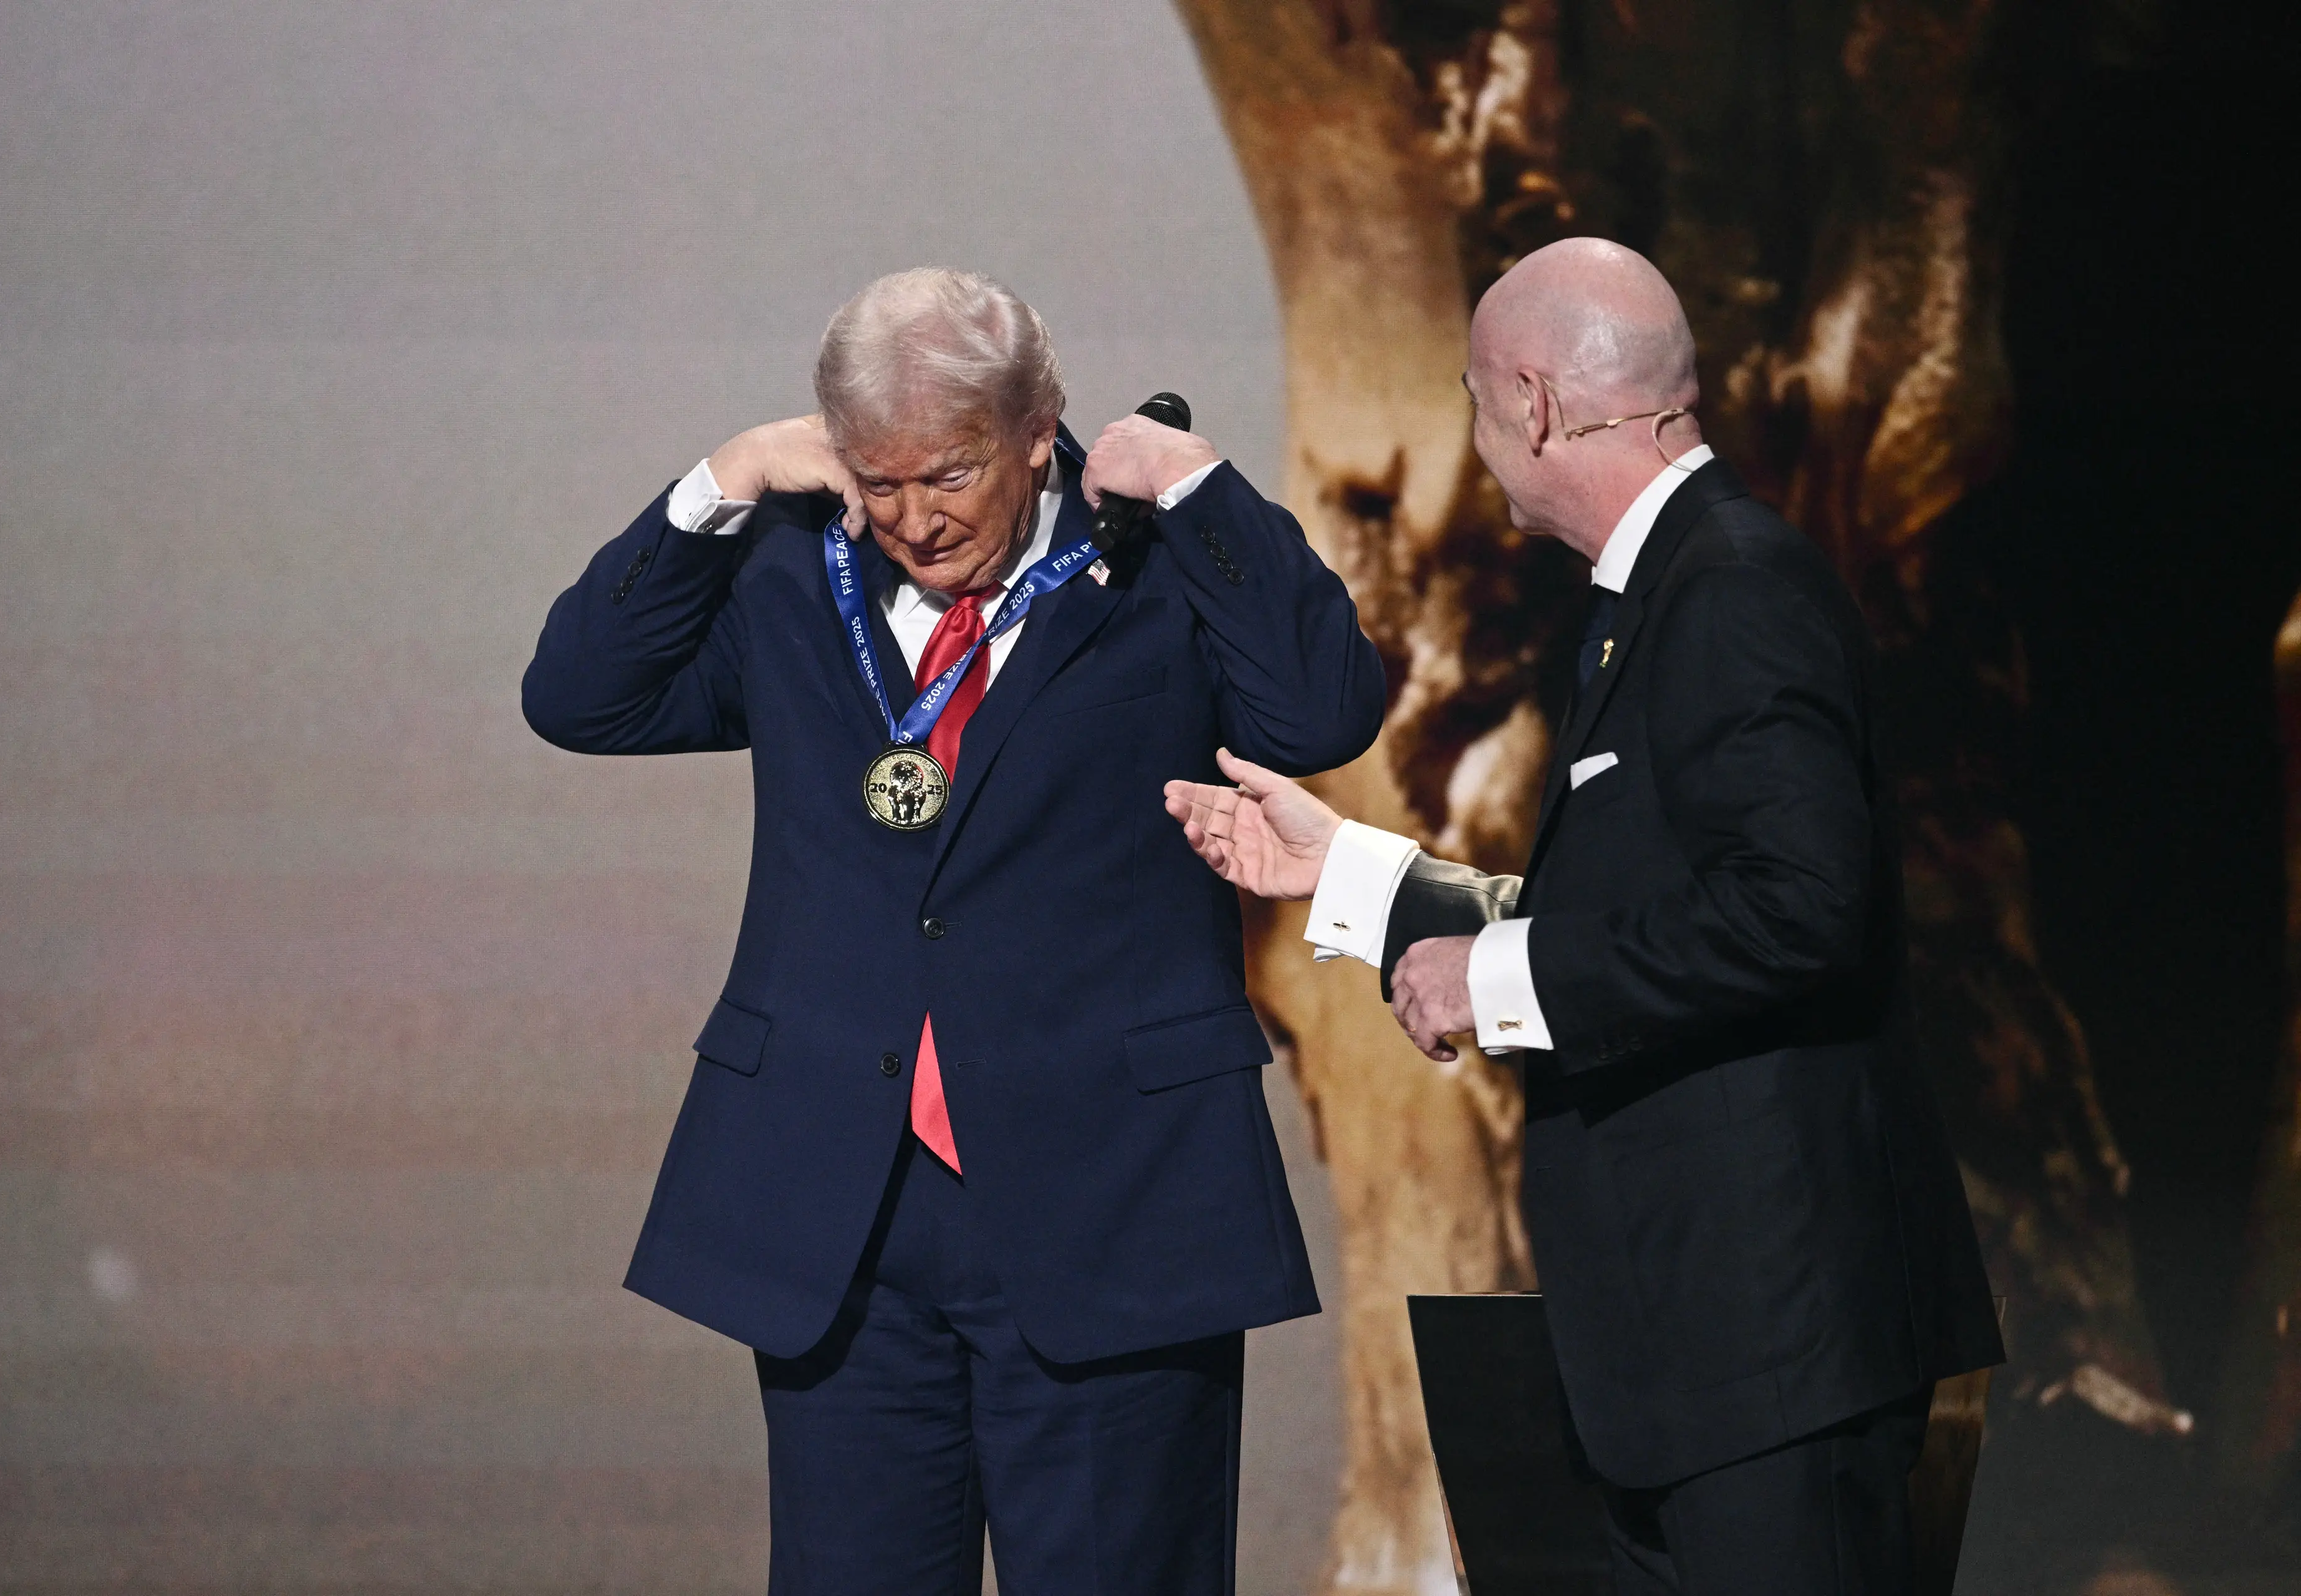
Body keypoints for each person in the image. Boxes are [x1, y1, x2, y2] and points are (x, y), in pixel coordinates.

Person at [523, 268, 1383, 1594]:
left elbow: (1324, 710)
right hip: (843, 1211)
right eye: (878, 479)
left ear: (1043, 427)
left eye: (949, 475)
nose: (912, 519)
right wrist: (727, 474)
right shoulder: (793, 570)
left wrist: (1203, 484)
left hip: (1110, 1195)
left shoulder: (1154, 562)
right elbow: (579, 694)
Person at [1165, 239, 2002, 1596]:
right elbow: (1632, 917)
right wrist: (1353, 876)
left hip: (1766, 1357)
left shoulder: (1730, 588)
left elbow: (1798, 910)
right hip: (1688, 1360)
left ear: (1536, 403)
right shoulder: (1657, 596)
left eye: (1478, 406)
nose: (1478, 443)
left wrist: (1492, 982)